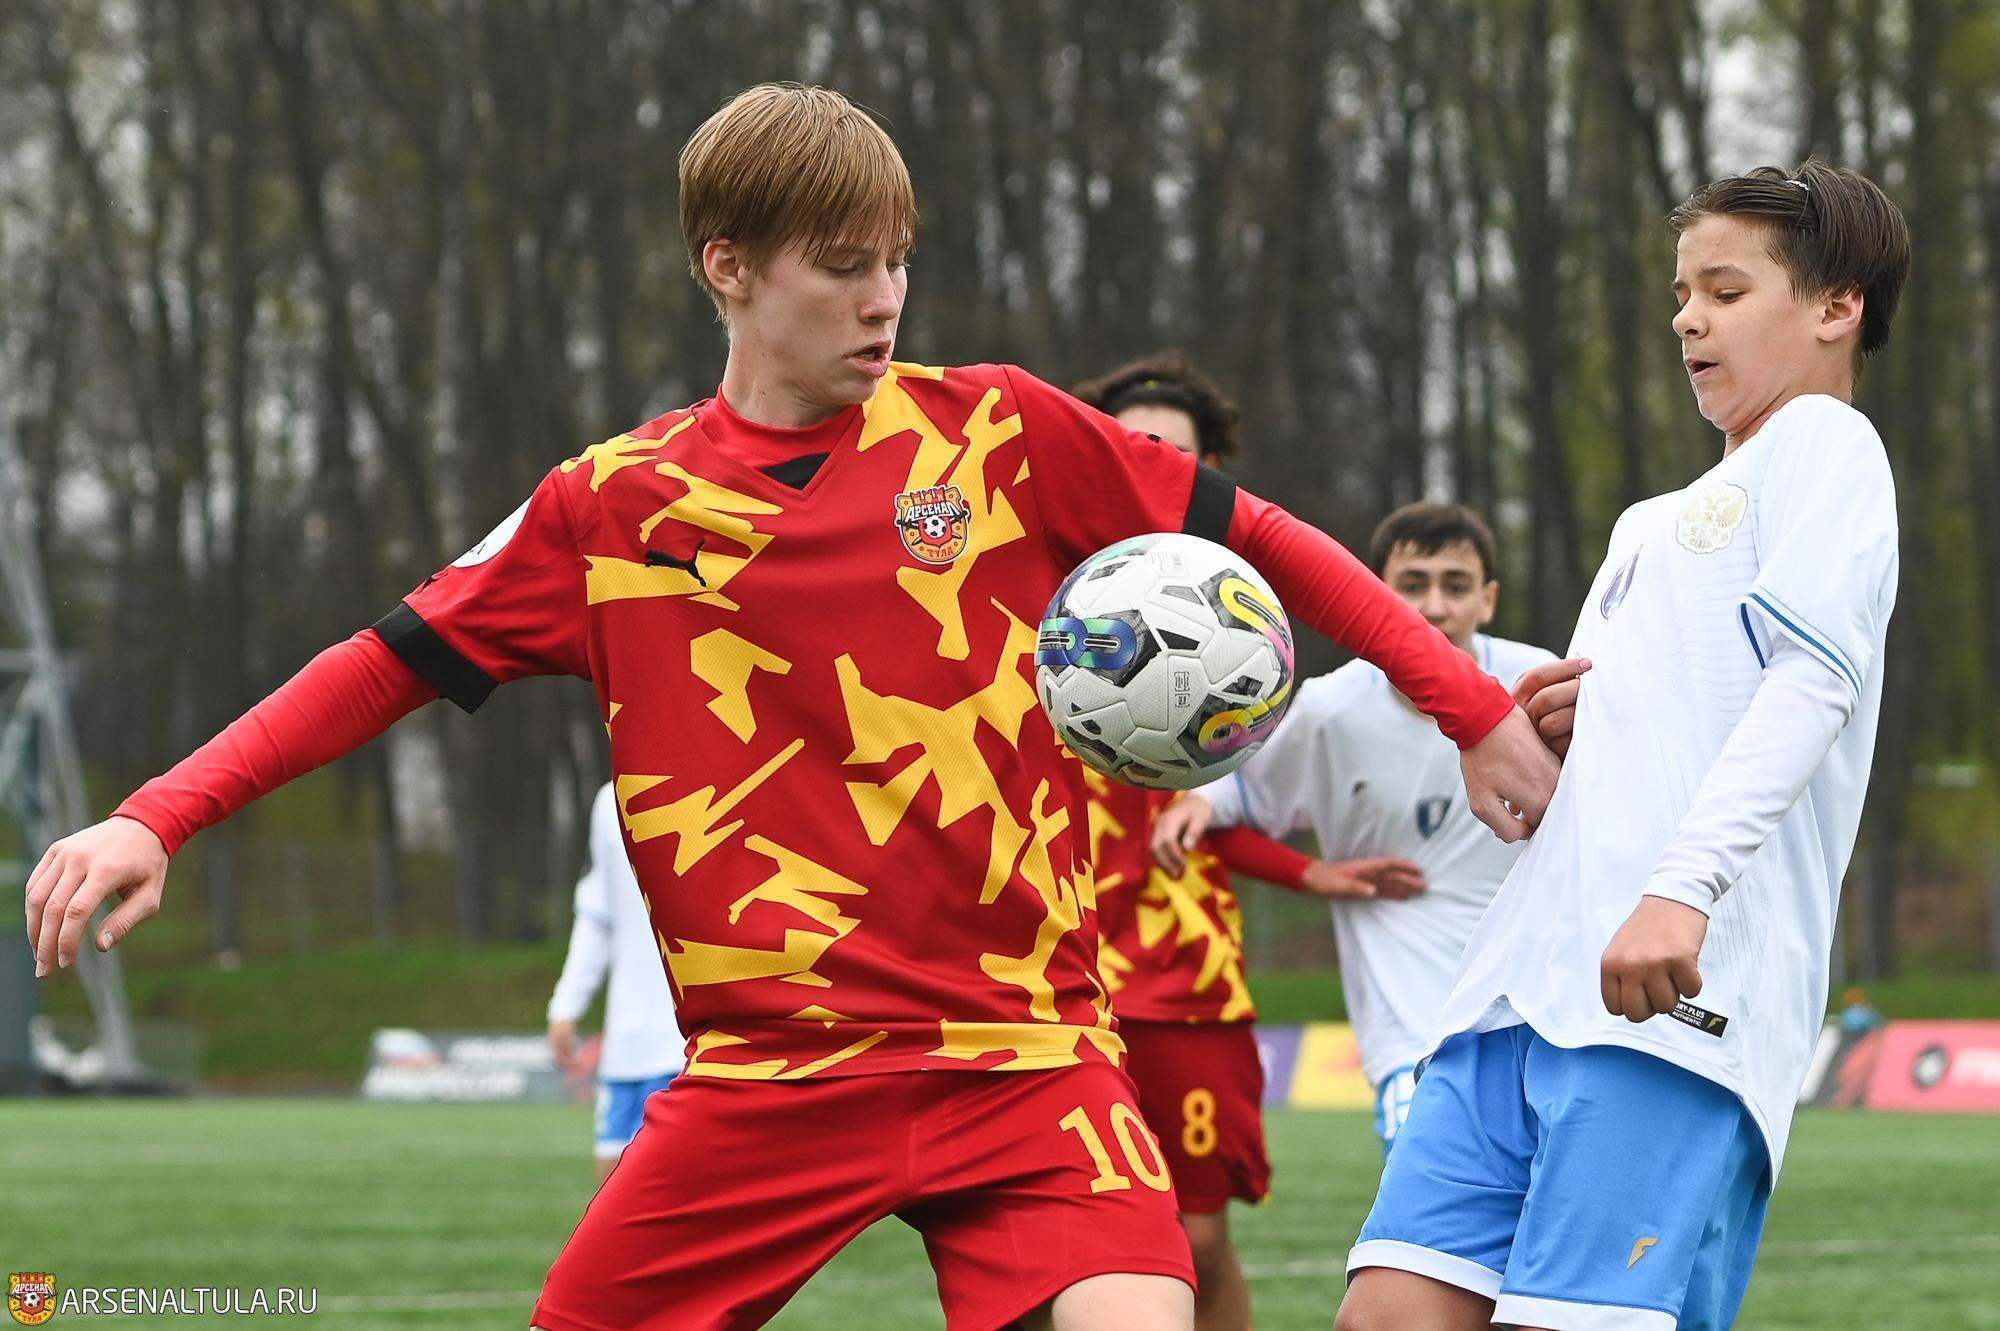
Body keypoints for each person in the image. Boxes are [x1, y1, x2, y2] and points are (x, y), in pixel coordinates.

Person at [25, 83, 1558, 1331]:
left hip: (1023, 1052)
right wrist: (159, 814)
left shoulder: (999, 434)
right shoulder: (611, 509)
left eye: (898, 260)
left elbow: (1266, 538)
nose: (883, 299)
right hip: (768, 1080)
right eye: (842, 265)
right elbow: (380, 662)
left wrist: (1465, 705)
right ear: (729, 267)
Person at [1336, 159, 1909, 1331]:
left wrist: (1677, 889)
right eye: (1680, 293)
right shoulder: (1647, 521)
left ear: (1835, 306)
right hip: (1509, 998)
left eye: (1724, 290)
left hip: (1662, 1007)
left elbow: (1810, 684)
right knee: (1381, 1314)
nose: (1686, 317)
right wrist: (1556, 744)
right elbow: (1671, 726)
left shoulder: (1825, 446)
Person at [1071, 354, 1426, 1331]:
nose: (1150, 463)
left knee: (1196, 1240)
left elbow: (1209, 817)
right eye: (1133, 444)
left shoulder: (1230, 631)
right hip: (1057, 986)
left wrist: (1312, 871)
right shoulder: (1053, 612)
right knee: (1062, 1252)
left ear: (1207, 472)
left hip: (1187, 985)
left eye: (1174, 452)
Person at [1153, 502, 1553, 1153]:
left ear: (1488, 598)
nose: (1435, 605)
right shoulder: (1327, 709)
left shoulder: (1540, 684)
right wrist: (1206, 802)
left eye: (1455, 585)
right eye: (1412, 584)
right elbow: (1231, 795)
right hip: (1413, 1038)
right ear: (1375, 598)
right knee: (1432, 1204)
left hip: (1547, 1015)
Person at [547, 780, 684, 1183]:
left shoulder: (731, 783)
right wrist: (567, 1004)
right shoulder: (611, 800)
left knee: (681, 1189)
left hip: (691, 1044)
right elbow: (596, 915)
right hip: (627, 1044)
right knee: (613, 1187)